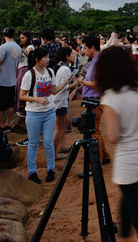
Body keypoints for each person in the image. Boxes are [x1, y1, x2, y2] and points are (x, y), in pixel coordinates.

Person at [94, 46, 138, 241]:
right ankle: (124, 228)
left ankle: (126, 229)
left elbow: (113, 136)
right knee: (134, 196)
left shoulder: (112, 96)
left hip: (130, 165)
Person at [19, 47, 69, 184]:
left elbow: (53, 91)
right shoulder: (29, 75)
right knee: (33, 144)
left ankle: (51, 169)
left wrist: (66, 83)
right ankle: (32, 172)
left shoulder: (50, 72)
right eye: (45, 57)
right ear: (37, 59)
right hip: (34, 114)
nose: (48, 59)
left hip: (49, 112)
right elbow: (22, 96)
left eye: (48, 57)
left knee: (48, 142)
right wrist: (38, 99)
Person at [74, 35, 112, 168]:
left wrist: (81, 82)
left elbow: (97, 83)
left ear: (92, 48)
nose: (83, 50)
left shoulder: (98, 62)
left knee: (93, 132)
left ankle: (95, 165)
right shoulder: (95, 61)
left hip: (94, 100)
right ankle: (105, 156)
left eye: (85, 48)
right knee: (96, 130)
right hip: (93, 99)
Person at [0, 27, 21, 131]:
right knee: (9, 103)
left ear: (4, 35)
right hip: (11, 80)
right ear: (14, 35)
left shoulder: (4, 47)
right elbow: (17, 65)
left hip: (1, 81)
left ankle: (1, 124)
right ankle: (8, 123)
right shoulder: (18, 48)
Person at [53, 47, 77, 156]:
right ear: (67, 56)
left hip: (59, 100)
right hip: (60, 100)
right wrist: (76, 84)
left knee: (65, 122)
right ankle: (53, 153)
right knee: (58, 128)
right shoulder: (66, 69)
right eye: (72, 54)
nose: (74, 56)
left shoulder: (61, 66)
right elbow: (64, 87)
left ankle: (61, 146)